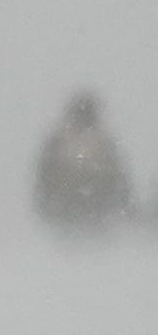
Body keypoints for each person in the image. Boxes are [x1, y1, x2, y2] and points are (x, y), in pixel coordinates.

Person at [33, 91, 135, 235]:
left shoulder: (102, 143)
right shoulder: (61, 142)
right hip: (69, 215)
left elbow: (117, 177)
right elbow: (46, 176)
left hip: (95, 215)